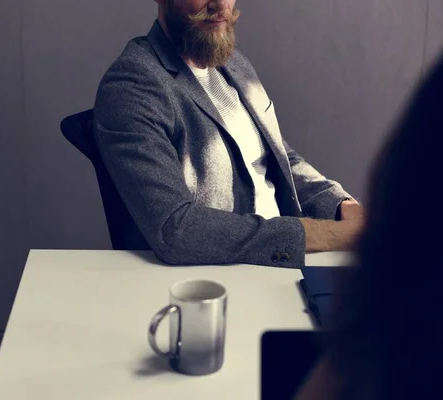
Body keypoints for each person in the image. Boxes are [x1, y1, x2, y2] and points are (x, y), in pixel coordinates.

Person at [93, 0, 364, 267]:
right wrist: (330, 234)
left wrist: (341, 205)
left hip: (289, 264)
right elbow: (175, 229)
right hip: (226, 280)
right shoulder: (133, 84)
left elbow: (279, 157)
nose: (221, 5)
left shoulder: (233, 63)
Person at [294, 52, 443, 399]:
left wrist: (341, 204)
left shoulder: (238, 68)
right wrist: (347, 233)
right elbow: (177, 226)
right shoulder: (142, 76)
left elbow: (286, 160)